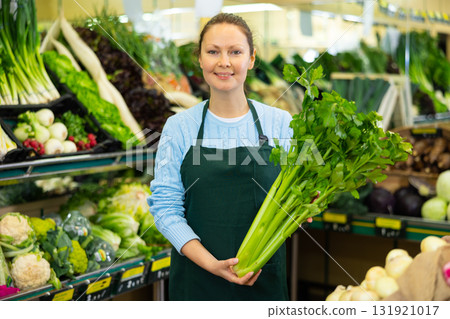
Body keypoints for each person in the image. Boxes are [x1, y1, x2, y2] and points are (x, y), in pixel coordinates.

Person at [148, 13, 294, 301]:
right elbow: (165, 209)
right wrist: (212, 265)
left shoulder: (280, 122)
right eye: (213, 51)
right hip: (198, 280)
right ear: (200, 59)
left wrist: (308, 205)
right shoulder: (178, 127)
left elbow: (304, 188)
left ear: (251, 59)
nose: (224, 62)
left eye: (235, 52)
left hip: (262, 279)